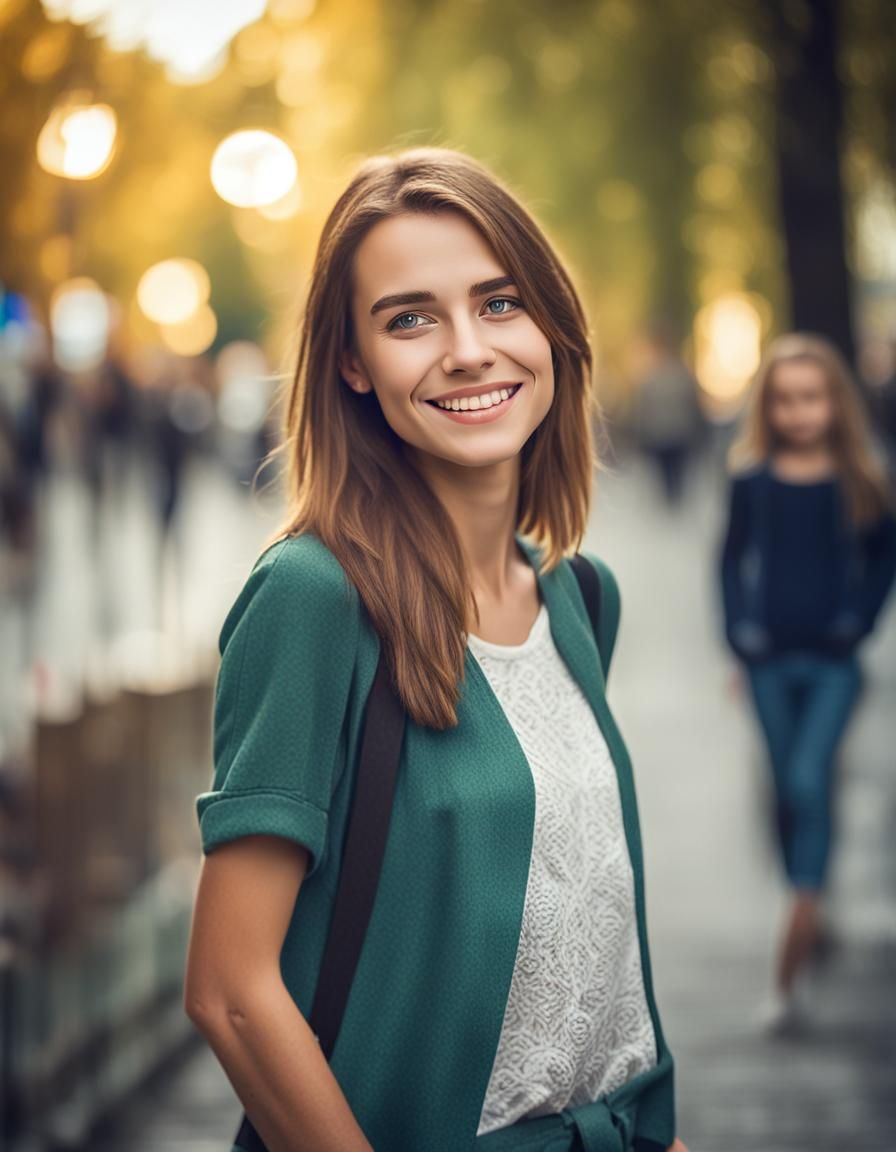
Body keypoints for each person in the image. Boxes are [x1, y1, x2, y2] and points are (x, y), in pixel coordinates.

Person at [184, 147, 684, 1152]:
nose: (466, 348)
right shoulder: (311, 599)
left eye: (499, 303)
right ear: (352, 364)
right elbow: (231, 993)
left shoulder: (580, 598)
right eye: (409, 317)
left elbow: (587, 934)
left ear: (550, 326)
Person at [718, 331, 896, 1031]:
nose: (798, 413)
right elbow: (729, 562)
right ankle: (812, 902)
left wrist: (859, 620)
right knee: (785, 791)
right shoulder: (751, 480)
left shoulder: (859, 477)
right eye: (785, 401)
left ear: (835, 403)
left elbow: (885, 556)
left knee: (806, 779)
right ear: (769, 407)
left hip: (833, 665)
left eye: (812, 398)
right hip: (767, 663)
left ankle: (793, 948)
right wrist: (739, 635)